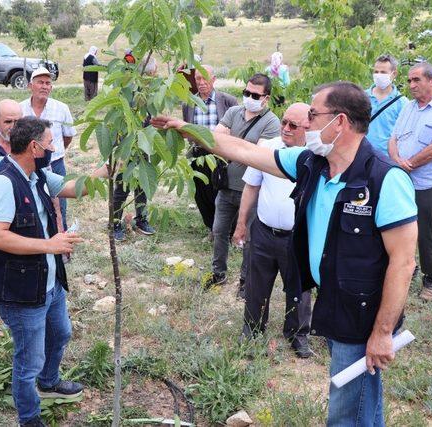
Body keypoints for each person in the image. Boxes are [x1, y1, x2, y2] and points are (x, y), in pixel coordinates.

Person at [152, 80, 418, 426]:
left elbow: (404, 262)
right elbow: (245, 152)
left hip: (363, 312)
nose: (305, 123)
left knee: (346, 409)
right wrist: (188, 129)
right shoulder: (313, 164)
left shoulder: (384, 179)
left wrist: (382, 333)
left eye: (312, 114)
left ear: (339, 122)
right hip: (335, 300)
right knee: (361, 400)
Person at [0, 117, 108, 427]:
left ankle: (49, 382)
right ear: (34, 147)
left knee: (61, 333)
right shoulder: (3, 183)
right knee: (28, 360)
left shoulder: (40, 175)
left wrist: (109, 168)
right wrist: (50, 245)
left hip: (48, 283)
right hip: (21, 290)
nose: (53, 148)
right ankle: (29, 417)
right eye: (49, 143)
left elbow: (75, 188)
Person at [233, 103, 313, 358]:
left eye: (293, 125)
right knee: (257, 284)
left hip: (298, 236)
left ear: (308, 127)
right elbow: (251, 187)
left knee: (299, 286)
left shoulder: (316, 154)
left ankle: (298, 333)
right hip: (265, 231)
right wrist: (241, 223)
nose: (286, 129)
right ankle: (252, 327)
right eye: (284, 122)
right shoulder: (268, 148)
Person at [388, 62, 432, 302]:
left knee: (427, 233)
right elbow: (394, 138)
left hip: (428, 183)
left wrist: (410, 164)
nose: (411, 85)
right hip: (402, 179)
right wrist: (397, 159)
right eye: (409, 81)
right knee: (399, 229)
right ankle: (408, 269)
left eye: (416, 80)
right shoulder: (408, 107)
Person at [204, 73, 281, 289]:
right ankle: (218, 273)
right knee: (219, 231)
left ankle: (246, 281)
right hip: (226, 186)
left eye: (255, 95)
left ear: (266, 97)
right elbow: (216, 139)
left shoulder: (271, 122)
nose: (249, 98)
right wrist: (241, 146)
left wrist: (231, 144)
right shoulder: (233, 112)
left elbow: (257, 155)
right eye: (246, 93)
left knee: (248, 238)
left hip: (252, 190)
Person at [181, 65, 237, 232]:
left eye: (205, 78)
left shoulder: (228, 101)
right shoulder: (188, 103)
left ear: (214, 79)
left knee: (221, 192)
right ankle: (212, 228)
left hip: (220, 155)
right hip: (198, 155)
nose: (201, 82)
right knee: (201, 194)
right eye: (198, 79)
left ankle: (226, 229)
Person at [20, 67, 77, 231]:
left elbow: (68, 136)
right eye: (40, 82)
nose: (44, 86)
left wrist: (53, 151)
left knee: (60, 208)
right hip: (28, 165)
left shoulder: (61, 108)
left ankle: (62, 247)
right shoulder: (20, 109)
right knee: (31, 204)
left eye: (48, 83)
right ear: (31, 86)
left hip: (55, 164)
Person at [113, 56, 158, 241]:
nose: (152, 76)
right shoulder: (127, 90)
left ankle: (141, 219)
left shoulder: (152, 92)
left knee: (142, 183)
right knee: (122, 186)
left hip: (143, 146)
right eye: (149, 74)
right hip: (126, 145)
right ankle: (115, 222)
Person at [365, 54, 408, 156]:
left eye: (383, 72)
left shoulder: (402, 103)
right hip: (361, 154)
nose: (378, 75)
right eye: (376, 72)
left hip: (385, 158)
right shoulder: (362, 96)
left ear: (394, 74)